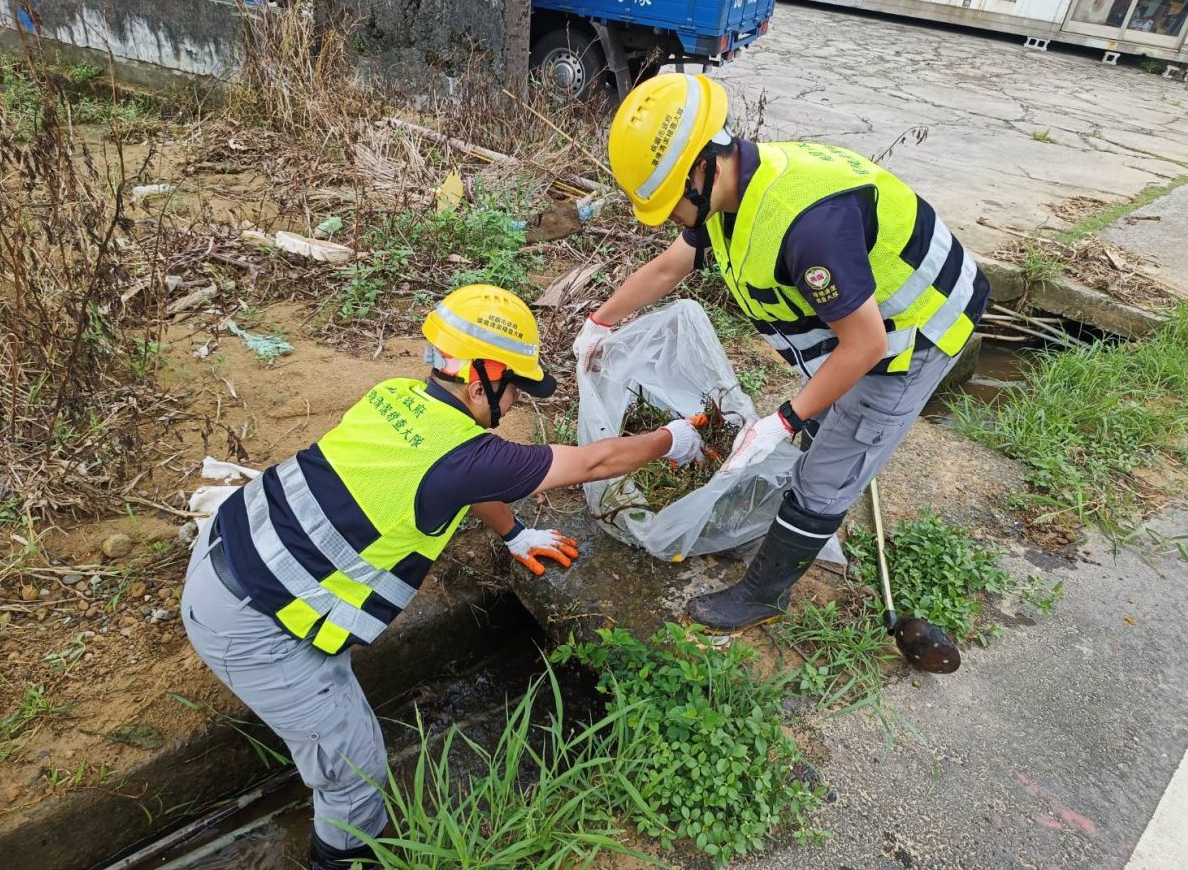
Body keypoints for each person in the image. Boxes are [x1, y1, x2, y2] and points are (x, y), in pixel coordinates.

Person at [181, 284, 704, 869]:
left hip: (227, 552)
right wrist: (672, 439)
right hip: (252, 627)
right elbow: (596, 462)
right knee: (357, 775)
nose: (513, 406)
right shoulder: (464, 457)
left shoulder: (397, 396)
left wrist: (514, 534)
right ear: (483, 382)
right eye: (514, 391)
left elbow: (463, 475)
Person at [575, 73, 990, 634]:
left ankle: (763, 593)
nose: (666, 215)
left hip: (916, 325)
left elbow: (866, 344)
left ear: (701, 168)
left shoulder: (804, 226)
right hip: (862, 315)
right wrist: (600, 322)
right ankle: (825, 445)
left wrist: (785, 419)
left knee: (829, 466)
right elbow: (670, 267)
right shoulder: (730, 194)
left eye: (666, 200)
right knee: (828, 419)